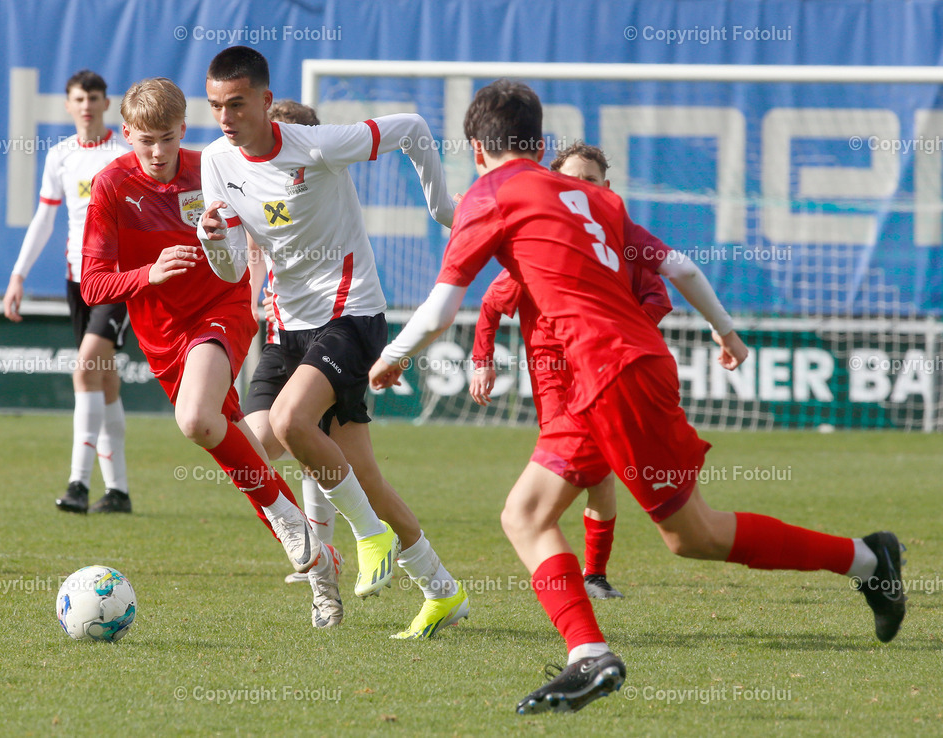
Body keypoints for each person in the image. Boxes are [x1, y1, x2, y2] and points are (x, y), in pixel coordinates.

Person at [370, 79, 905, 714]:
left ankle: (870, 559)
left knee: (694, 534)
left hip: (606, 373)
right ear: (540, 145)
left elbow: (439, 310)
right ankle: (589, 655)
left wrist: (389, 359)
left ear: (475, 151)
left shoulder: (490, 192)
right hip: (620, 370)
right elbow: (680, 267)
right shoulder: (591, 198)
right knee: (526, 515)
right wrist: (727, 330)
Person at [198, 46, 468, 638]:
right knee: (269, 454)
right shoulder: (215, 161)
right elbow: (227, 272)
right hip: (285, 330)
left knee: (296, 424)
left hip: (350, 316)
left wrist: (444, 208)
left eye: (236, 104)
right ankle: (442, 589)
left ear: (266, 103)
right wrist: (211, 237)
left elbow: (415, 128)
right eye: (216, 105)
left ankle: (366, 537)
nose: (224, 116)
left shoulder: (317, 146)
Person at [80, 77, 342, 627]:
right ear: (126, 133)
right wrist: (147, 274)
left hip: (222, 312)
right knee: (237, 446)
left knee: (197, 419)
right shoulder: (109, 187)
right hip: (161, 336)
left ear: (183, 130)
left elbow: (269, 220)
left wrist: (266, 274)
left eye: (168, 139)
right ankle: (322, 572)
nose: (157, 153)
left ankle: (289, 519)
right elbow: (93, 284)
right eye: (145, 140)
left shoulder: (213, 167)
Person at [468, 142, 673, 600]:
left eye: (591, 182)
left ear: (607, 187)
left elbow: (659, 297)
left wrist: (619, 334)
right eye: (571, 182)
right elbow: (490, 303)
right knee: (588, 476)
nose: (581, 189)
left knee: (596, 476)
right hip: (554, 378)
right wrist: (482, 361)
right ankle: (582, 577)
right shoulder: (542, 246)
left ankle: (587, 578)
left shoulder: (619, 242)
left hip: (605, 370)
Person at [3, 70, 134, 514]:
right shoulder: (60, 156)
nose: (86, 105)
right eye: (79, 98)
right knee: (104, 378)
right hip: (78, 280)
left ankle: (77, 484)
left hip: (117, 280)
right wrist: (18, 274)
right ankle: (118, 492)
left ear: (106, 103)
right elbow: (44, 219)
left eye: (94, 97)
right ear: (68, 105)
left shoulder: (123, 155)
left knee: (84, 370)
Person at [244, 100, 340, 586]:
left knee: (308, 439)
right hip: (281, 333)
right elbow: (256, 248)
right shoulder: (256, 183)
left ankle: (322, 551)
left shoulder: (324, 186)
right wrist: (252, 295)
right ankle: (316, 540)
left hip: (330, 329)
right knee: (256, 439)